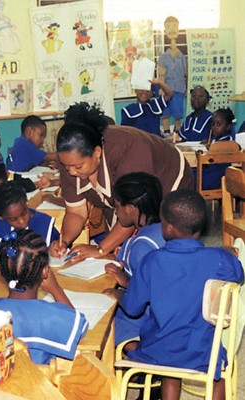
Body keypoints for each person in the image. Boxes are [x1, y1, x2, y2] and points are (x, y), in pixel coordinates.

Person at [115, 190, 244, 400]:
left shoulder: (152, 261)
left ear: (167, 227)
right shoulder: (219, 260)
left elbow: (132, 308)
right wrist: (225, 252)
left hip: (157, 353)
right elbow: (238, 274)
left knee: (168, 347)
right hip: (202, 353)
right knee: (217, 367)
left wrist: (117, 294)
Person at [49, 102, 193, 261]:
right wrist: (65, 242)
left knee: (157, 246)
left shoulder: (128, 150)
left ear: (97, 152)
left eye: (77, 166)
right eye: (66, 166)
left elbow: (133, 211)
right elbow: (76, 212)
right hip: (127, 197)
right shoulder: (69, 159)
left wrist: (100, 249)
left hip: (168, 176)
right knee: (119, 249)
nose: (71, 172)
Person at [0, 229, 88, 365]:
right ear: (45, 271)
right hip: (39, 384)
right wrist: (56, 290)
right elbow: (79, 330)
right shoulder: (56, 316)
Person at [102, 172, 165, 354]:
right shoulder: (160, 230)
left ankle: (138, 354)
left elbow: (148, 292)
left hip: (150, 314)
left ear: (130, 209)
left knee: (109, 319)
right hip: (166, 309)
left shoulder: (141, 246)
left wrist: (124, 281)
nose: (116, 211)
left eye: (117, 206)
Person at [0, 181, 59, 255]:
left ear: (26, 202)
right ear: (0, 216)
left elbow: (56, 247)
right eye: (13, 219)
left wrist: (54, 249)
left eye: (24, 213)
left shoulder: (43, 223)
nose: (22, 221)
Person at [157, 16, 187, 135]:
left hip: (179, 87)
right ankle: (166, 130)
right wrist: (161, 87)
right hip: (166, 88)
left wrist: (187, 86)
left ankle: (178, 130)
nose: (172, 29)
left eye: (174, 26)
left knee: (178, 112)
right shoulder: (163, 57)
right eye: (168, 26)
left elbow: (186, 72)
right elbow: (161, 73)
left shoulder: (182, 56)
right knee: (165, 112)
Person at [196, 108, 239, 190]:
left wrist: (211, 148)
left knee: (191, 176)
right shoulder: (215, 139)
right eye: (213, 124)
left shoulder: (227, 142)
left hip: (218, 176)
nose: (214, 127)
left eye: (219, 124)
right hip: (211, 172)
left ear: (228, 127)